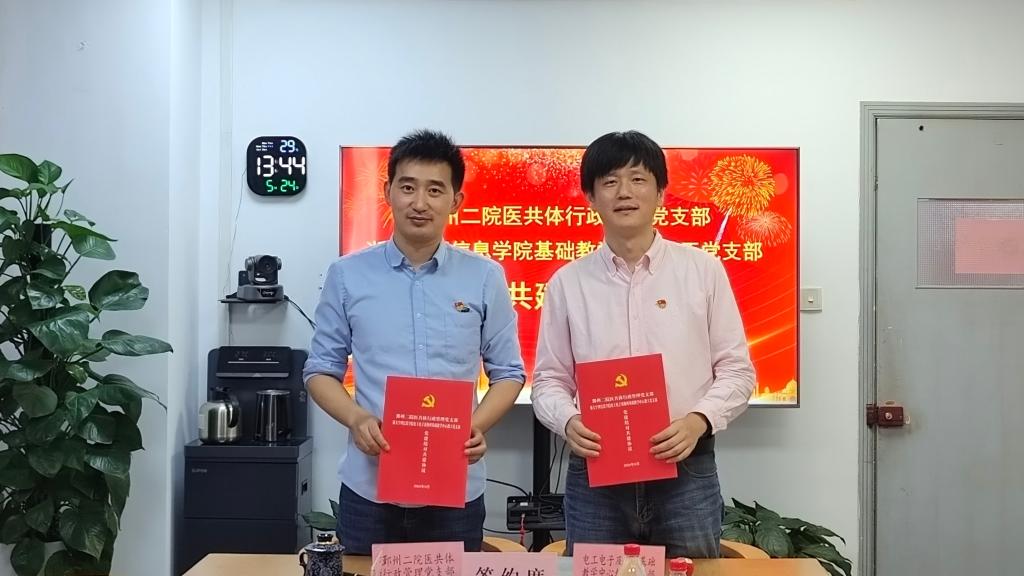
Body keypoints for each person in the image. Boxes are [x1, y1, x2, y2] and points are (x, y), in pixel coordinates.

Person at [531, 130, 755, 558]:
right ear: (591, 198)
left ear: (661, 194)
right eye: (610, 182)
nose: (624, 192)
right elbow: (548, 380)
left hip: (686, 468)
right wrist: (568, 421)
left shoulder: (703, 271)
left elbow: (737, 370)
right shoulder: (567, 283)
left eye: (638, 179)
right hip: (596, 472)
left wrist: (698, 421)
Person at [303, 129, 525, 553]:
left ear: (456, 200)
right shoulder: (347, 275)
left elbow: (509, 373)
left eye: (435, 190)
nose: (419, 202)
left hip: (455, 488)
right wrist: (356, 418)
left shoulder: (484, 276)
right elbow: (319, 371)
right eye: (407, 187)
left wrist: (476, 426)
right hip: (370, 489)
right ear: (387, 192)